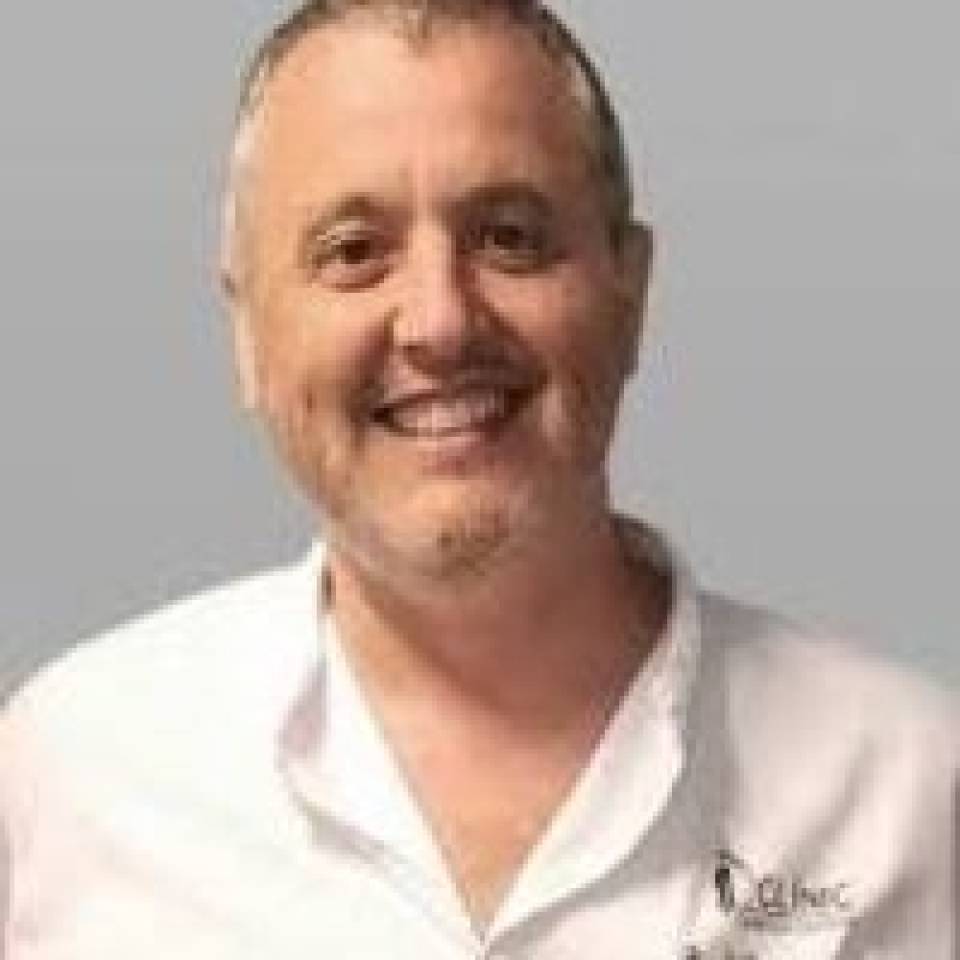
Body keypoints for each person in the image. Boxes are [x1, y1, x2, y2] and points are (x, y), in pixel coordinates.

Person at [1, 1, 956, 956]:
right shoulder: (68, 780)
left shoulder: (911, 791)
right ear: (247, 330)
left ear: (629, 292)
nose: (441, 321)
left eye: (509, 237)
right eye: (353, 252)